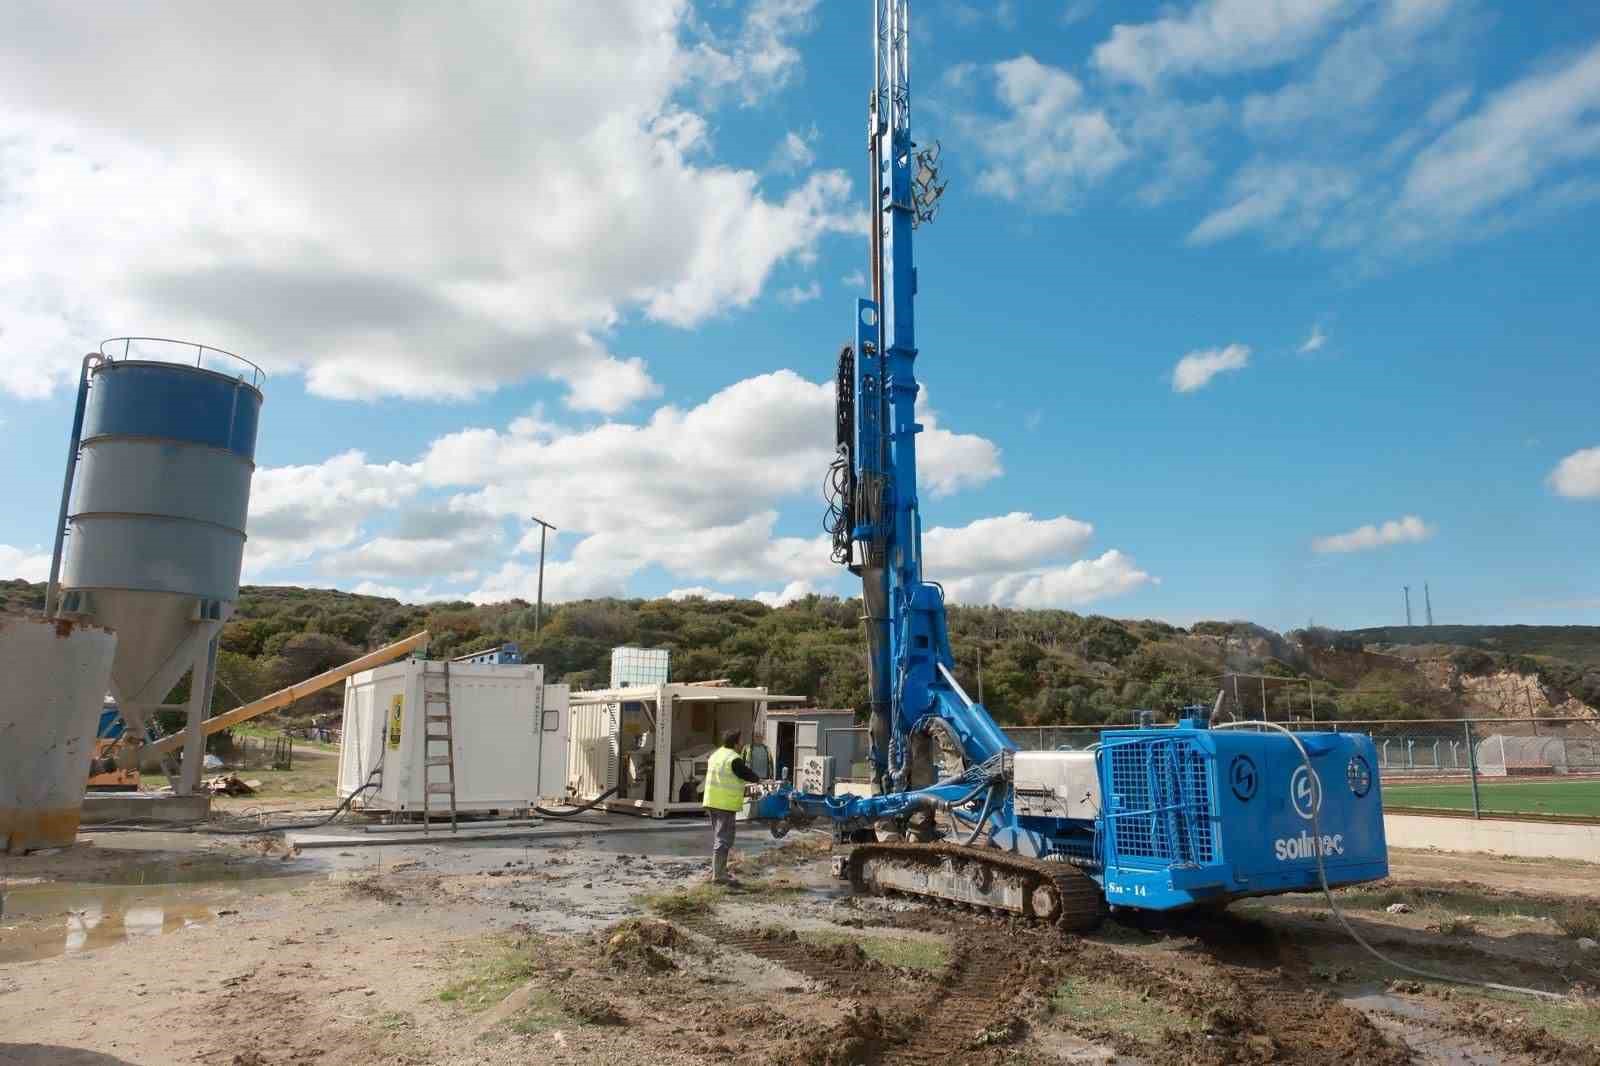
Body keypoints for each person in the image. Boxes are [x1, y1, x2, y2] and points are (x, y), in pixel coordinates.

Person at [703, 729, 761, 885]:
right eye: (740, 741)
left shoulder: (716, 754)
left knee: (719, 836)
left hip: (711, 801)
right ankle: (718, 875)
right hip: (724, 804)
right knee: (724, 838)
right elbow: (746, 773)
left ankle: (719, 871)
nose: (742, 744)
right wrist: (759, 780)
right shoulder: (733, 758)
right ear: (736, 743)